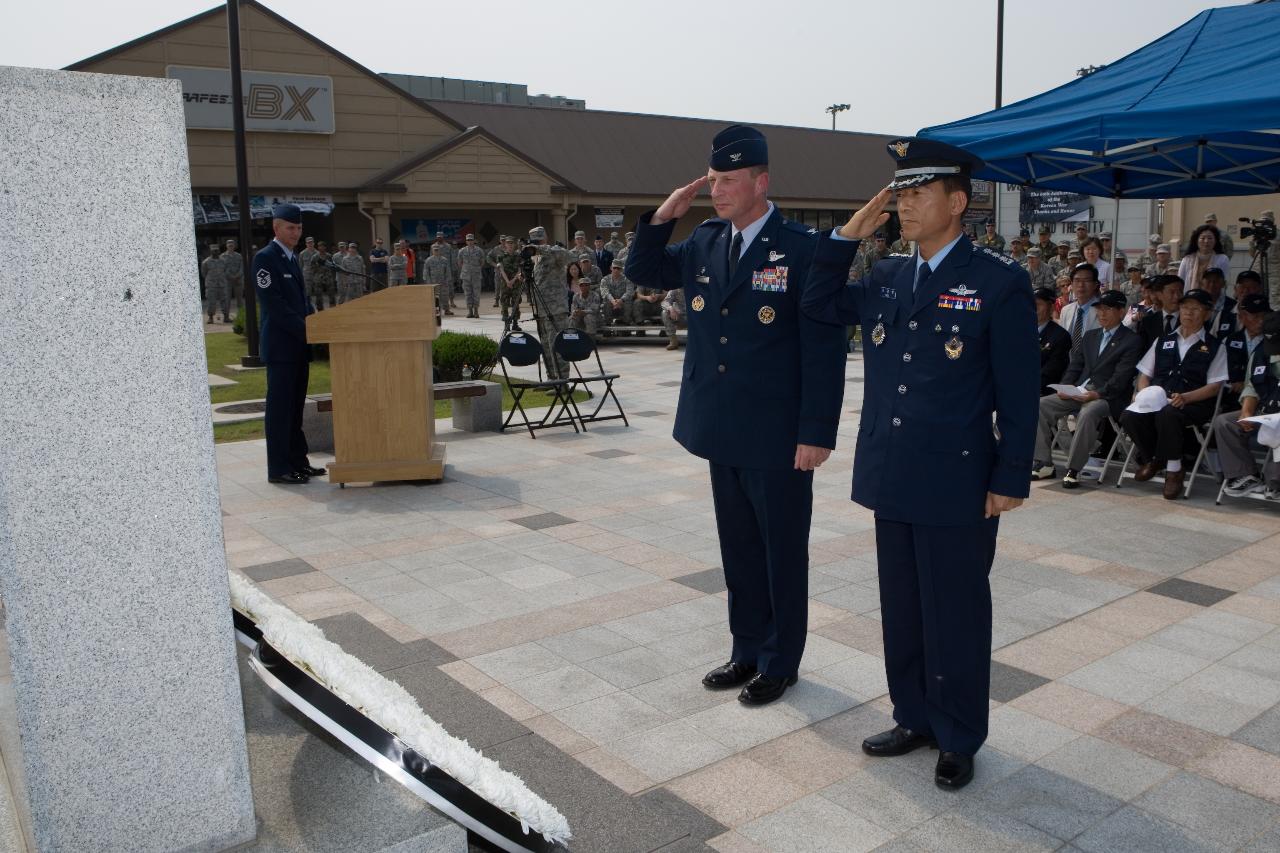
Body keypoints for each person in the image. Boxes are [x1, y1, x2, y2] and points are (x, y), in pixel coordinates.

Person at [801, 137, 1038, 790]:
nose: (903, 203)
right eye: (899, 193)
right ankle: (913, 715)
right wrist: (848, 234)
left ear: (957, 201)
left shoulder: (999, 282)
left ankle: (959, 734)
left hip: (959, 479)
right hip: (892, 470)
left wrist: (1010, 474)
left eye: (917, 192)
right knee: (902, 607)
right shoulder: (883, 277)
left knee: (955, 613)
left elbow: (1019, 391)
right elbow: (816, 304)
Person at [626, 124, 845, 707]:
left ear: (760, 182)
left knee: (780, 551)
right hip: (721, 427)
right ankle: (746, 648)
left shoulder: (802, 248)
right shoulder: (704, 239)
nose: (716, 191)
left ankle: (780, 661)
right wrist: (662, 216)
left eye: (728, 181)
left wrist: (816, 432)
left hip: (777, 435)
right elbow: (644, 273)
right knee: (739, 547)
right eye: (713, 181)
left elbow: (823, 351)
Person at [1121, 288, 1228, 499]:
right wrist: (1144, 393)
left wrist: (1186, 397)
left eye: (1196, 308)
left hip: (1193, 402)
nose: (1189, 312)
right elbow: (1144, 374)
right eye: (1185, 307)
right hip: (1160, 397)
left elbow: (1214, 386)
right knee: (1129, 415)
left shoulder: (1215, 346)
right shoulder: (1163, 340)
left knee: (1168, 414)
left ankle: (1174, 469)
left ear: (1207, 313)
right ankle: (1154, 457)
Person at [1032, 290, 1142, 486]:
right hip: (1080, 391)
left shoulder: (1131, 340)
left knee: (1089, 412)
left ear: (1121, 311)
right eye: (1099, 309)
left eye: (1107, 309)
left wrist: (1096, 393)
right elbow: (1076, 365)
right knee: (1039, 406)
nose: (1102, 314)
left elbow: (1121, 377)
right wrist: (1065, 386)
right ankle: (1044, 463)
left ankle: (1073, 468)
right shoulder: (1091, 336)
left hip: (1108, 396)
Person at [253, 204, 321, 485]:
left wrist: (318, 321)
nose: (296, 233)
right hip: (281, 348)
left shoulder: (292, 259)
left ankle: (298, 462)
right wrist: (307, 328)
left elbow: (302, 302)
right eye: (291, 228)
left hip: (298, 348)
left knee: (294, 410)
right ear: (276, 228)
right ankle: (279, 468)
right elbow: (276, 306)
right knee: (280, 411)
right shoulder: (265, 258)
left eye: (299, 228)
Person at [1217, 304, 1280, 499]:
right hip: (1267, 410)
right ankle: (1246, 474)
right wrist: (1246, 412)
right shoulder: (1261, 352)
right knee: (1225, 422)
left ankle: (1275, 481)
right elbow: (1252, 386)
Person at [526, 225, 572, 379]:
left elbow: (569, 256)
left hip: (556, 309)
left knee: (557, 345)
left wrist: (541, 248)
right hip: (541, 310)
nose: (537, 244)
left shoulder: (554, 252)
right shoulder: (536, 259)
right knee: (545, 345)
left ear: (545, 238)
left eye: (539, 241)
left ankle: (562, 380)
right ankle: (551, 377)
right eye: (535, 242)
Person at [1034, 286, 1072, 397]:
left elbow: (1051, 372)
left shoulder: (1061, 336)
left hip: (1042, 391)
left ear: (1051, 308)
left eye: (1039, 304)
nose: (1034, 308)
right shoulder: (1021, 332)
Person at [1058, 262, 1103, 352]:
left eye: (1086, 280)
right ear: (1071, 285)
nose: (1081, 285)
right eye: (1077, 280)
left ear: (1095, 284)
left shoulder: (1103, 310)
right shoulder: (1066, 310)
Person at [1138, 274, 1185, 350]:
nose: (1177, 296)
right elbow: (1141, 351)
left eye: (1180, 292)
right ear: (1159, 295)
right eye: (1172, 292)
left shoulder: (1190, 320)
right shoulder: (1148, 321)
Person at [1177, 225, 1231, 290]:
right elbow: (1180, 282)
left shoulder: (1222, 259)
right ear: (1196, 240)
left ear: (1215, 241)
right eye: (1202, 238)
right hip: (1190, 298)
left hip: (1213, 298)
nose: (1206, 241)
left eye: (1210, 238)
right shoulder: (1187, 259)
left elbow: (1224, 282)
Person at [496, 236, 524, 331]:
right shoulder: (501, 256)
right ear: (505, 244)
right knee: (504, 302)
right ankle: (506, 324)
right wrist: (508, 281)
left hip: (516, 283)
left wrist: (513, 280)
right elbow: (501, 269)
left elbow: (520, 269)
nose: (510, 245)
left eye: (511, 243)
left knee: (516, 302)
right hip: (505, 283)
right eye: (508, 243)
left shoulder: (518, 256)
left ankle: (515, 323)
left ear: (514, 244)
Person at [600, 259, 635, 328]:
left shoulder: (627, 279)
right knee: (606, 302)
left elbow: (630, 292)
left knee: (628, 302)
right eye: (614, 268)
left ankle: (626, 323)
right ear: (611, 268)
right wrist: (613, 301)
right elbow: (605, 292)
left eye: (618, 268)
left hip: (623, 304)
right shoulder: (605, 279)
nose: (616, 270)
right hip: (611, 304)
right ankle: (608, 325)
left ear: (621, 269)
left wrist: (621, 300)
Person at [457, 233, 485, 318]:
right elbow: (459, 262)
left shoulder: (479, 250)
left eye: (471, 240)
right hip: (466, 276)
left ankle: (476, 311)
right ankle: (470, 311)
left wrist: (476, 268)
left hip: (476, 275)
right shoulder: (462, 251)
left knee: (476, 293)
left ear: (474, 241)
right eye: (468, 240)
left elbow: (482, 261)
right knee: (467, 293)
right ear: (466, 241)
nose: (470, 241)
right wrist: (466, 269)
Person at [201, 243, 230, 323]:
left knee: (224, 301)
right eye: (213, 251)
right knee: (211, 302)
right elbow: (204, 273)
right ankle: (210, 317)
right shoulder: (206, 262)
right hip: (211, 285)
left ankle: (226, 317)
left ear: (219, 251)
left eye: (216, 251)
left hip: (222, 284)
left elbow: (226, 271)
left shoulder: (223, 261)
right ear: (211, 251)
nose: (215, 252)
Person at [422, 243, 453, 316]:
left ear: (440, 250)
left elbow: (447, 270)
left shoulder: (444, 260)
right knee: (435, 297)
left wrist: (447, 280)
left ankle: (447, 310)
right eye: (435, 250)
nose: (436, 251)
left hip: (443, 282)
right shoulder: (428, 260)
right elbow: (426, 271)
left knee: (445, 296)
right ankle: (436, 311)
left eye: (437, 250)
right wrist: (428, 282)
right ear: (432, 250)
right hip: (433, 282)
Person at [310, 241, 335, 310]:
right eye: (320, 246)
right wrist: (316, 275)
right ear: (318, 247)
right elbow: (312, 267)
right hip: (318, 278)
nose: (321, 248)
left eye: (323, 246)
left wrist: (330, 275)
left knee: (331, 294)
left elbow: (333, 266)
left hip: (328, 277)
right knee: (318, 295)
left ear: (325, 247)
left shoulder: (329, 256)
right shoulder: (315, 257)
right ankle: (320, 310)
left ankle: (333, 308)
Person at [299, 236, 319, 305]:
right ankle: (308, 307)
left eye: (311, 242)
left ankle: (319, 307)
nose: (310, 244)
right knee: (307, 293)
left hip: (316, 275)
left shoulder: (318, 253)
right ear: (306, 244)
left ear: (314, 243)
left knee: (318, 292)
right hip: (306, 276)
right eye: (308, 243)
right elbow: (300, 266)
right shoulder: (302, 254)